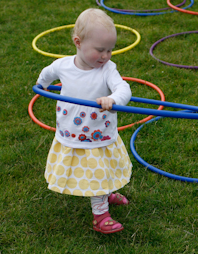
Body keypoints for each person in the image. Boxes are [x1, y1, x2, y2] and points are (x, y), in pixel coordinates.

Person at [37, 8, 132, 234]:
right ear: (78, 42)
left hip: (99, 132)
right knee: (94, 170)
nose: (105, 55)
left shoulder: (107, 69)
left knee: (100, 167)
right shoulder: (63, 65)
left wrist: (112, 98)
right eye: (100, 50)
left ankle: (103, 203)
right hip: (73, 131)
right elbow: (47, 74)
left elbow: (124, 88)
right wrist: (41, 86)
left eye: (110, 50)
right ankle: (100, 215)